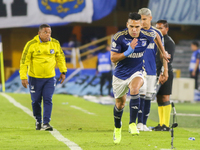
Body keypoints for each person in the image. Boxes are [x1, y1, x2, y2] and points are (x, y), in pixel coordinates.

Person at [111, 12, 169, 144]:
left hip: (137, 71)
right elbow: (113, 58)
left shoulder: (146, 35)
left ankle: (132, 123)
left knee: (135, 89)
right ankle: (117, 127)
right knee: (120, 104)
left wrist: (163, 52)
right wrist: (128, 52)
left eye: (137, 26)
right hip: (120, 74)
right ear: (127, 25)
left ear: (141, 25)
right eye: (131, 26)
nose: (134, 29)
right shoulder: (119, 37)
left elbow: (157, 38)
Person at [19, 24, 67, 131]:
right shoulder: (31, 45)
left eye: (49, 32)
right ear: (39, 33)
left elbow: (61, 58)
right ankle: (38, 120)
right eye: (45, 32)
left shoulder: (55, 43)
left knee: (48, 99)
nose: (48, 34)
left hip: (50, 78)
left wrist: (63, 71)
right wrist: (23, 77)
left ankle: (46, 123)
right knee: (35, 101)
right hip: (35, 78)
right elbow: (23, 62)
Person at [137, 8, 168, 132]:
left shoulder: (157, 33)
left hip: (152, 69)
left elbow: (162, 53)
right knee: (141, 94)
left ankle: (144, 124)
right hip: (139, 69)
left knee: (149, 96)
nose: (142, 22)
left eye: (144, 19)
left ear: (150, 18)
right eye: (140, 19)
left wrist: (165, 70)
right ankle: (138, 123)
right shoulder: (136, 32)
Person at [154, 20, 175, 131]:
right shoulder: (157, 41)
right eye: (157, 28)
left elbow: (168, 59)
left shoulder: (168, 42)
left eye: (161, 28)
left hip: (166, 73)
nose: (158, 30)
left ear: (166, 29)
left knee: (165, 97)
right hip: (157, 72)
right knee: (159, 98)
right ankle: (160, 123)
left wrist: (163, 72)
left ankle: (166, 125)